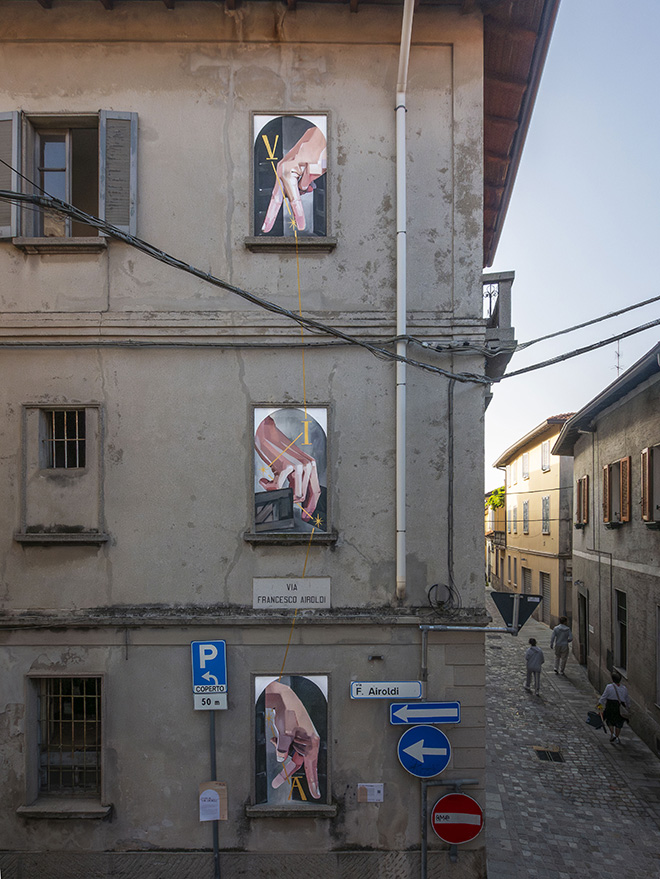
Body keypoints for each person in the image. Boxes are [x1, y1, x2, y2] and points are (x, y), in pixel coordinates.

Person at [600, 671, 630, 744]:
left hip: (610, 705)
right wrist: (628, 707)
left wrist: (600, 703)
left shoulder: (609, 687)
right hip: (620, 706)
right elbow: (627, 699)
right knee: (619, 722)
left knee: (610, 720)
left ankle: (612, 734)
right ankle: (617, 737)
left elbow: (604, 696)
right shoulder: (624, 688)